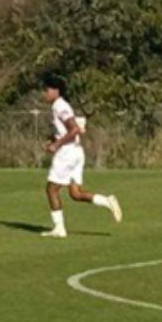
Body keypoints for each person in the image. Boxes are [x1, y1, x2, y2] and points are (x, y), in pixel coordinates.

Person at [39, 75, 121, 238]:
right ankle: (107, 201)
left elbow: (75, 129)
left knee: (51, 189)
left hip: (67, 152)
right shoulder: (59, 106)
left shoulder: (60, 106)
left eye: (46, 90)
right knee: (75, 194)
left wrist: (57, 144)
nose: (44, 93)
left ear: (56, 91)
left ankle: (59, 229)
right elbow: (68, 129)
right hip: (76, 151)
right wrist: (52, 139)